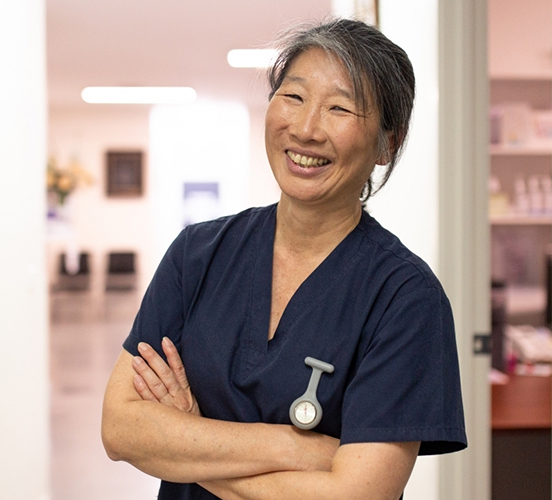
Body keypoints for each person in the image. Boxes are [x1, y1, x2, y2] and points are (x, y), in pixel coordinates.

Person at [99, 19, 467, 500]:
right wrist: (302, 449)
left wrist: (188, 437)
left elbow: (355, 495)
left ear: (387, 144)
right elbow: (121, 428)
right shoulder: (197, 256)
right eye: (293, 97)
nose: (307, 128)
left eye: (339, 108)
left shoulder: (406, 298)